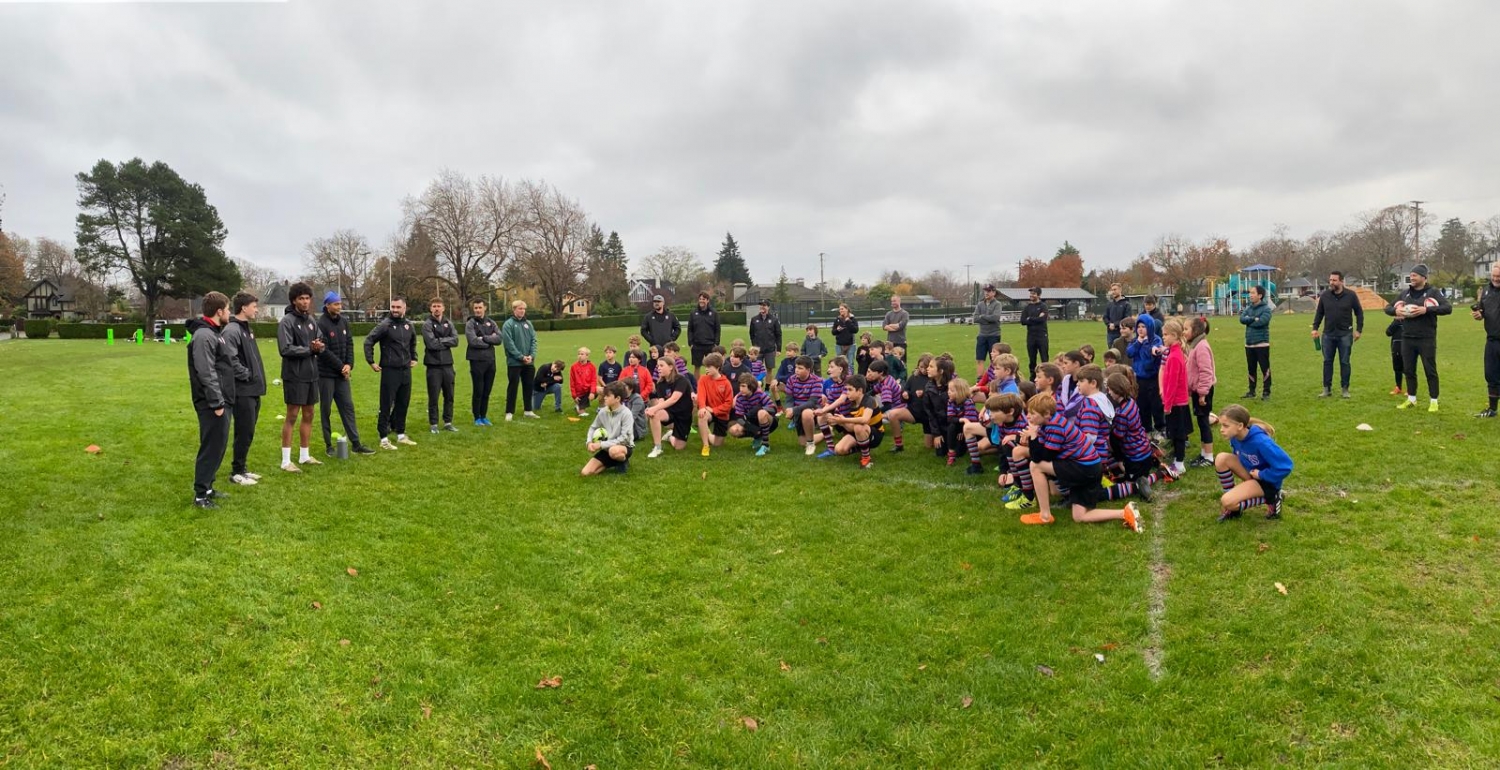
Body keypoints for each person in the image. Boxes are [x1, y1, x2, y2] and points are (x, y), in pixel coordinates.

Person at [1017, 393, 1142, 531]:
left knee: (1035, 466)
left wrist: (1033, 437)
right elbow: (1040, 451)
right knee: (1079, 516)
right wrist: (1031, 438)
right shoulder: (1050, 422)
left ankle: (1045, 516)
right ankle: (1125, 512)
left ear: (1046, 413)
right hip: (1091, 468)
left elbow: (1041, 457)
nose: (1028, 417)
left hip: (1085, 469)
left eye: (1032, 413)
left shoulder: (1055, 427)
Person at [187, 291, 235, 509]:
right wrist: (216, 403)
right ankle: (200, 496)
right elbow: (206, 372)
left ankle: (208, 487)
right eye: (228, 309)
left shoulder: (216, 333)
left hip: (222, 400)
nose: (230, 312)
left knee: (218, 446)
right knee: (211, 447)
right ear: (219, 311)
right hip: (211, 403)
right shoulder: (204, 336)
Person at [1386, 264, 1451, 412]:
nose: (1412, 277)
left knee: (1430, 370)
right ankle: (1411, 399)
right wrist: (1397, 310)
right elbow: (1387, 308)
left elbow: (1447, 308)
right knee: (1408, 370)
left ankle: (1434, 401)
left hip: (1426, 338)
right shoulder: (1405, 294)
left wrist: (1426, 310)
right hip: (1407, 338)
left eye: (1415, 275)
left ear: (1424, 278)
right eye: (1411, 275)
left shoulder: (1433, 292)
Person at [314, 291, 371, 457]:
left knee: (348, 407)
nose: (339, 307)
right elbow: (323, 350)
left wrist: (349, 365)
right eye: (336, 304)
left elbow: (349, 344)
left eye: (340, 304)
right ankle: (328, 445)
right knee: (326, 410)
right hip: (325, 375)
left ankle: (356, 443)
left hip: (342, 375)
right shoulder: (321, 324)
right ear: (327, 305)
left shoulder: (344, 322)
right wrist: (341, 366)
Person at [279, 282, 329, 472]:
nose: (305, 301)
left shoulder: (311, 320)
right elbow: (285, 348)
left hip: (311, 374)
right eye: (301, 298)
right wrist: (309, 349)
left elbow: (320, 342)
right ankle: (285, 461)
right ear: (294, 300)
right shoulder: (287, 321)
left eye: (308, 298)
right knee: (292, 415)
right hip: (294, 375)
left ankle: (304, 455)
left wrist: (319, 346)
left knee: (309, 414)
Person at [1214, 404, 1293, 522]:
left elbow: (1286, 466)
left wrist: (1261, 475)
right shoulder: (1235, 436)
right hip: (1252, 473)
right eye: (1221, 425)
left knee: (1227, 501)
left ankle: (1273, 497)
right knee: (1221, 458)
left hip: (1267, 481)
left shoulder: (1261, 442)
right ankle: (1233, 507)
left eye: (1225, 426)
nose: (1221, 429)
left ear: (1240, 425)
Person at [222, 292, 267, 486]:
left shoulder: (247, 329)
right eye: (254, 306)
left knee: (249, 431)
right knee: (243, 431)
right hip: (242, 391)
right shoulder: (232, 330)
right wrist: (246, 375)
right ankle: (236, 472)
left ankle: (243, 468)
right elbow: (230, 359)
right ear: (244, 308)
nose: (256, 309)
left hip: (253, 389)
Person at [364, 296, 420, 450]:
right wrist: (371, 361)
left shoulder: (409, 325)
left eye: (398, 307)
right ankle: (383, 439)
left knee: (403, 403)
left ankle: (401, 434)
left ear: (404, 308)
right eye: (392, 307)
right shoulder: (385, 325)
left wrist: (414, 357)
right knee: (386, 404)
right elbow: (369, 340)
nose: (394, 310)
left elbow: (413, 342)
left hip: (405, 371)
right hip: (389, 371)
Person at [1311, 271, 1365, 398]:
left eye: (1334, 280)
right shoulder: (1325, 296)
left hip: (1345, 334)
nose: (1331, 282)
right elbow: (1319, 313)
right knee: (1327, 361)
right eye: (1330, 280)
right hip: (1328, 334)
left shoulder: (1351, 296)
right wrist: (1315, 328)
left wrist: (1359, 330)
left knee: (1345, 362)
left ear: (1341, 281)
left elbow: (1359, 312)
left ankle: (1345, 389)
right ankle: (1326, 389)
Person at [816, 374, 884, 469]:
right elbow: (850, 428)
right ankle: (862, 447)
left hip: (875, 434)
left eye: (850, 390)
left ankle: (866, 458)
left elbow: (865, 419)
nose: (847, 393)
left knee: (859, 426)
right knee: (839, 450)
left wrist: (844, 419)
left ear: (860, 390)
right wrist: (840, 422)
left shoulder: (869, 400)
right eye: (846, 389)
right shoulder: (852, 403)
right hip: (859, 432)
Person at [422, 297, 460, 433]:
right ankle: (433, 424)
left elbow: (456, 340)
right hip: (433, 366)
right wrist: (446, 341)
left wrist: (440, 341)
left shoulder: (448, 323)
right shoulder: (427, 325)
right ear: (430, 308)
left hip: (448, 365)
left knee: (449, 395)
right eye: (434, 306)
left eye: (439, 306)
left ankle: (448, 422)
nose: (436, 308)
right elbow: (431, 344)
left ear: (443, 308)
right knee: (434, 396)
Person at [581, 382, 634, 476]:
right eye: (605, 395)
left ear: (617, 398)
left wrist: (600, 445)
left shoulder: (626, 414)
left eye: (608, 396)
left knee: (614, 451)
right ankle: (613, 463)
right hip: (606, 448)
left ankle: (622, 460)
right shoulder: (603, 411)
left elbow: (624, 438)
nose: (604, 397)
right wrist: (589, 442)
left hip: (623, 447)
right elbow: (593, 427)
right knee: (585, 473)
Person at [1158, 319, 1190, 477]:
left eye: (1165, 335)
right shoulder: (1174, 353)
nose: (1163, 337)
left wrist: (1167, 405)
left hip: (1176, 402)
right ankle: (1178, 459)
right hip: (1177, 401)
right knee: (1177, 432)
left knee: (1178, 434)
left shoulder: (1174, 357)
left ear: (1174, 335)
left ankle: (1179, 463)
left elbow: (1172, 384)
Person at [465, 299, 504, 426]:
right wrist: (489, 340)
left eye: (479, 307)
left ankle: (484, 416)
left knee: (487, 390)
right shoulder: (470, 323)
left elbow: (499, 339)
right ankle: (477, 417)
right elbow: (473, 341)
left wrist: (484, 338)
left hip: (490, 361)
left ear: (485, 308)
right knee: (478, 390)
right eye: (475, 308)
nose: (477, 310)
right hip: (476, 360)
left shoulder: (491, 322)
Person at [645, 357, 694, 457]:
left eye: (662, 365)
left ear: (671, 367)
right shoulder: (660, 384)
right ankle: (657, 447)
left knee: (678, 447)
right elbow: (662, 401)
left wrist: (654, 408)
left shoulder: (681, 379)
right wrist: (652, 409)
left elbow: (674, 399)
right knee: (655, 414)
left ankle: (671, 435)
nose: (658, 368)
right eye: (658, 366)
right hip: (670, 412)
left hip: (683, 415)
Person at [1185, 316, 1217, 468]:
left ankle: (1209, 457)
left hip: (1203, 391)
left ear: (1195, 331)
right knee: (1200, 421)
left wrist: (1203, 393)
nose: (1184, 332)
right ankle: (1204, 453)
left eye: (1186, 329)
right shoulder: (1195, 346)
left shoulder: (1202, 347)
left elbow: (1206, 372)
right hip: (1198, 390)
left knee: (1204, 423)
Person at [1127, 315, 1164, 437]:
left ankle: (1160, 427)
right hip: (1140, 378)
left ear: (1150, 327)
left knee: (1156, 404)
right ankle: (1146, 428)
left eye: (1144, 327)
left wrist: (1151, 347)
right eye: (1139, 327)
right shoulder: (1135, 341)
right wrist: (1139, 342)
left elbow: (1156, 351)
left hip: (1153, 377)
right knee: (1142, 404)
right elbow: (1130, 353)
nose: (1141, 329)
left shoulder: (1155, 340)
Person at [502, 300, 540, 420]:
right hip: (514, 363)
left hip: (529, 362)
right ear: (514, 310)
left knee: (528, 386)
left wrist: (531, 356)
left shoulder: (528, 324)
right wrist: (520, 357)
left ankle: (528, 410)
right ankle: (509, 412)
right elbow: (509, 344)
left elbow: (534, 340)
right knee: (513, 386)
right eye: (520, 309)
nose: (522, 311)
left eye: (524, 309)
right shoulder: (508, 325)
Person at [867, 359, 913, 453]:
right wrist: (862, 396)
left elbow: (888, 406)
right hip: (897, 406)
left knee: (868, 417)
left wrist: (873, 412)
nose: (869, 374)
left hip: (897, 408)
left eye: (871, 372)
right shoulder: (886, 378)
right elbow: (874, 391)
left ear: (880, 373)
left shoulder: (886, 386)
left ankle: (871, 437)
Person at [782, 355, 825, 452]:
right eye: (796, 367)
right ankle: (826, 433)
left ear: (808, 369)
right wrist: (788, 408)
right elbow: (789, 399)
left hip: (813, 410)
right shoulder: (791, 379)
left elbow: (812, 402)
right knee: (802, 443)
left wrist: (794, 410)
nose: (796, 370)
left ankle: (811, 444)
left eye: (800, 368)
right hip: (797, 410)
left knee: (806, 413)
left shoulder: (817, 381)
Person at [695, 352, 735, 456]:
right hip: (708, 411)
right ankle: (705, 446)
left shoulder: (726, 383)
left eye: (709, 366)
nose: (706, 369)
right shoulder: (703, 379)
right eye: (705, 366)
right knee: (702, 415)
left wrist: (714, 410)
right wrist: (702, 407)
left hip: (722, 414)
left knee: (717, 443)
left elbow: (728, 404)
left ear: (717, 367)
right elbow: (701, 395)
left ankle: (706, 432)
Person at [728, 373, 777, 456]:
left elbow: (773, 409)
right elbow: (740, 417)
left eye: (743, 386)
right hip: (753, 423)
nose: (741, 389)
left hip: (769, 422)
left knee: (761, 413)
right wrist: (754, 429)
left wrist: (758, 409)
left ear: (751, 387)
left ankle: (765, 445)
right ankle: (758, 437)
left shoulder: (760, 394)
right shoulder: (739, 398)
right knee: (733, 430)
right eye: (740, 386)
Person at [1239, 285, 1273, 401]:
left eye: (1253, 293)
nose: (1250, 295)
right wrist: (1254, 319)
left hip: (1261, 344)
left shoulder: (1266, 309)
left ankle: (1266, 392)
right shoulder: (1248, 308)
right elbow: (1242, 319)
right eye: (1250, 293)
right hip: (1249, 344)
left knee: (1265, 368)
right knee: (1251, 368)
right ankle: (1251, 391)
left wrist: (1250, 320)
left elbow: (1262, 322)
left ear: (1260, 295)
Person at [1475, 263, 1500, 417]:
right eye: (1494, 276)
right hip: (1491, 340)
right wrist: (1479, 315)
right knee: (1491, 374)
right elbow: (1482, 309)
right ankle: (1492, 409)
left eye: (1499, 277)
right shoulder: (1486, 291)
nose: (1496, 279)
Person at [972, 284, 1003, 380]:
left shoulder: (997, 304)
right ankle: (979, 379)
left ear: (994, 292)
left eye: (989, 291)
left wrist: (982, 316)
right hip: (982, 335)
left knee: (994, 359)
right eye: (985, 291)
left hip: (994, 335)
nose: (986, 293)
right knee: (980, 358)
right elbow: (975, 318)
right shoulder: (980, 304)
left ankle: (992, 378)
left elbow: (995, 317)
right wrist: (986, 318)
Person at [687, 291, 721, 376]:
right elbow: (690, 329)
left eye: (704, 299)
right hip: (697, 344)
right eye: (700, 299)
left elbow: (717, 329)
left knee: (711, 366)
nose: (701, 301)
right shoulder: (693, 313)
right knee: (697, 366)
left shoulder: (714, 313)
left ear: (708, 300)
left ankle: (710, 385)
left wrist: (716, 343)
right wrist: (690, 343)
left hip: (710, 344)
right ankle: (697, 386)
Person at [1019, 287, 1050, 379]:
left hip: (1042, 335)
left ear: (1039, 295)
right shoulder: (1027, 307)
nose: (1031, 295)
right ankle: (1033, 378)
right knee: (1032, 359)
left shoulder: (1043, 306)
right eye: (1031, 293)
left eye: (1034, 293)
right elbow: (1023, 321)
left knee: (1044, 358)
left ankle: (1046, 375)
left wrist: (1030, 318)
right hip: (1031, 336)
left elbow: (1042, 319)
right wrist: (1036, 318)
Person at [749, 298, 782, 369]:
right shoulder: (754, 319)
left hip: (770, 350)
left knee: (769, 369)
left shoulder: (774, 320)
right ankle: (759, 380)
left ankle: (768, 381)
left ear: (768, 307)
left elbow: (778, 335)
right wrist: (754, 345)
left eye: (764, 305)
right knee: (756, 368)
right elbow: (751, 334)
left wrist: (779, 349)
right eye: (761, 305)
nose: (762, 307)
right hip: (757, 350)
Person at [568, 347, 598, 417]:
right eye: (578, 354)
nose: (579, 356)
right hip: (579, 393)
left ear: (587, 356)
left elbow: (594, 380)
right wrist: (574, 396)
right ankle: (579, 406)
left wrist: (592, 392)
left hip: (588, 390)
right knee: (582, 413)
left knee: (600, 390)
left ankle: (601, 408)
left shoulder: (592, 367)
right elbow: (572, 382)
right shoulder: (574, 367)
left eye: (582, 354)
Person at [1102, 283, 1131, 347]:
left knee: (1122, 353)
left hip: (1121, 333)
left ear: (1120, 290)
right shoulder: (1109, 304)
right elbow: (1105, 317)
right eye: (1112, 290)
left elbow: (1127, 319)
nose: (1113, 292)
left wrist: (1115, 324)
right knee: (1111, 354)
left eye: (1115, 289)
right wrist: (1109, 324)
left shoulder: (1126, 304)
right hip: (1110, 334)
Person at [1386, 315, 1406, 396]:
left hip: (1407, 347)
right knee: (1397, 368)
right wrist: (1396, 321)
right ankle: (1398, 387)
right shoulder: (1395, 322)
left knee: (1407, 369)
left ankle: (1410, 389)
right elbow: (1388, 332)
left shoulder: (1409, 322)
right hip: (1396, 347)